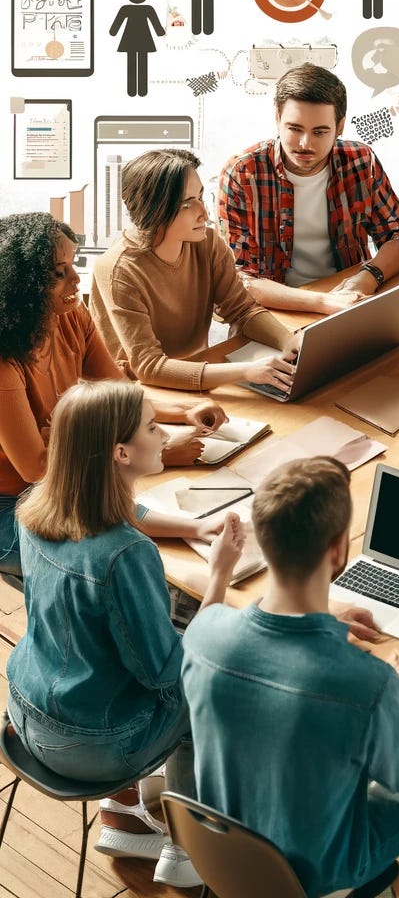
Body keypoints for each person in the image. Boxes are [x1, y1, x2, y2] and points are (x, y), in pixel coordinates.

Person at [181, 457, 399, 898]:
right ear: (337, 550)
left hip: (228, 856)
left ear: (265, 539)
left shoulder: (203, 634)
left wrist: (322, 622)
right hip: (315, 877)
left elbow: (243, 647)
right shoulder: (366, 683)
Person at [5, 379, 244, 889]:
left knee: (158, 627)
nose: (163, 437)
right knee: (211, 685)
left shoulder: (35, 504)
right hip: (94, 744)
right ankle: (188, 850)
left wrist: (192, 526)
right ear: (119, 452)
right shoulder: (124, 555)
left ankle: (126, 815)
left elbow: (108, 508)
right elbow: (168, 672)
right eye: (153, 428)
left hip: (26, 716)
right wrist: (220, 575)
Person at [0, 212, 229, 582]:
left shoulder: (73, 317)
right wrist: (159, 452)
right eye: (58, 273)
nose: (75, 279)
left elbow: (120, 395)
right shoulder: (4, 363)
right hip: (12, 504)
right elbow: (37, 468)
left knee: (121, 530)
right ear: (21, 284)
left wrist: (185, 411)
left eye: (73, 265)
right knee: (111, 549)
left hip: (63, 483)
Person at [90, 149, 300, 392]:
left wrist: (290, 341)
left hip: (199, 373)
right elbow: (148, 367)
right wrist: (246, 370)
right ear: (155, 210)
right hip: (135, 394)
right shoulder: (118, 271)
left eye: (201, 197)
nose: (204, 212)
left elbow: (242, 310)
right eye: (188, 204)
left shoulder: (207, 243)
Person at [218, 62, 399, 314]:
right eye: (294, 129)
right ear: (278, 118)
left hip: (351, 299)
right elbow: (240, 279)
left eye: (320, 132)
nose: (305, 144)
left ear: (340, 127)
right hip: (272, 311)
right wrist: (324, 303)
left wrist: (367, 277)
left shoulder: (361, 161)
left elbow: (398, 237)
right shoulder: (243, 173)